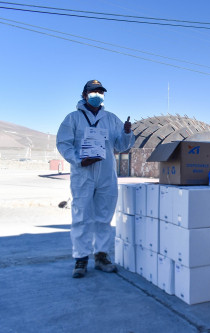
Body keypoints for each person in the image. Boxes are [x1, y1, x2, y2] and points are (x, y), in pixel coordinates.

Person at [57, 80, 135, 278]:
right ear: (85, 94)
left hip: (106, 174)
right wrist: (78, 160)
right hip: (83, 174)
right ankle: (81, 259)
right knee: (81, 216)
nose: (97, 94)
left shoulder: (111, 119)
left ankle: (101, 256)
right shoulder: (73, 118)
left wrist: (127, 132)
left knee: (104, 217)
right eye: (94, 91)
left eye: (100, 91)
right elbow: (63, 143)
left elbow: (123, 145)